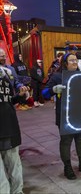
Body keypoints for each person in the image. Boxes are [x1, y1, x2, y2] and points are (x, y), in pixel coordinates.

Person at [42, 53, 81, 180]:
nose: (75, 62)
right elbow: (44, 93)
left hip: (80, 113)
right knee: (66, 141)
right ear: (65, 63)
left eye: (76, 60)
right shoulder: (57, 76)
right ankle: (67, 167)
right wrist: (53, 89)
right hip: (65, 116)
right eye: (71, 61)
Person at [0, 53, 29, 193]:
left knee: (14, 166)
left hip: (8, 125)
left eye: (4, 55)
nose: (3, 57)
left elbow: (9, 99)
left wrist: (20, 95)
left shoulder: (8, 72)